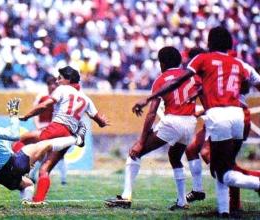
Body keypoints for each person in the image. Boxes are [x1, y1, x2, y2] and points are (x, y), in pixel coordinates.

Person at [132, 26, 260, 217]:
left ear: (209, 43)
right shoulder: (239, 64)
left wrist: (149, 99)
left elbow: (178, 81)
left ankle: (256, 184)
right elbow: (252, 84)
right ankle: (224, 211)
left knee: (221, 171)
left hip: (219, 115)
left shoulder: (203, 59)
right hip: (239, 116)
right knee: (221, 163)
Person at [105, 47, 199, 210]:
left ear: (162, 63)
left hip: (173, 121)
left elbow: (151, 113)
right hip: (190, 122)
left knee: (135, 152)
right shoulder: (191, 76)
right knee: (175, 157)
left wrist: (141, 141)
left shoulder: (161, 79)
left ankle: (126, 196)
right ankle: (182, 201)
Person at [0, 96, 86, 203]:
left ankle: (26, 203)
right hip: (12, 165)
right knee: (44, 145)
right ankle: (77, 139)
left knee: (28, 184)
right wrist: (13, 115)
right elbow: (14, 135)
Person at [19, 66, 110, 205]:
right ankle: (38, 201)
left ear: (68, 80)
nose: (57, 80)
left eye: (59, 78)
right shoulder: (86, 99)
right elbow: (100, 122)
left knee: (24, 139)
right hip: (68, 136)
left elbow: (45, 105)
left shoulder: (62, 89)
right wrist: (103, 122)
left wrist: (27, 115)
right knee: (45, 169)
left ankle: (16, 168)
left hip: (55, 128)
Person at [184, 49, 260, 212]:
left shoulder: (207, 71)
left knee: (216, 162)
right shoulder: (210, 73)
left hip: (231, 116)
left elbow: (224, 98)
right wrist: (201, 111)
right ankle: (199, 191)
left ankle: (247, 188)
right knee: (192, 149)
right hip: (219, 117)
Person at [12, 75, 68, 185]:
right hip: (42, 127)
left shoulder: (60, 97)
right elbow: (36, 112)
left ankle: (63, 179)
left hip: (55, 127)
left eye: (54, 84)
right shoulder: (42, 96)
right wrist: (38, 125)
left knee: (59, 154)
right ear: (47, 86)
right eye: (50, 84)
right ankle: (32, 175)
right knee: (40, 152)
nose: (52, 87)